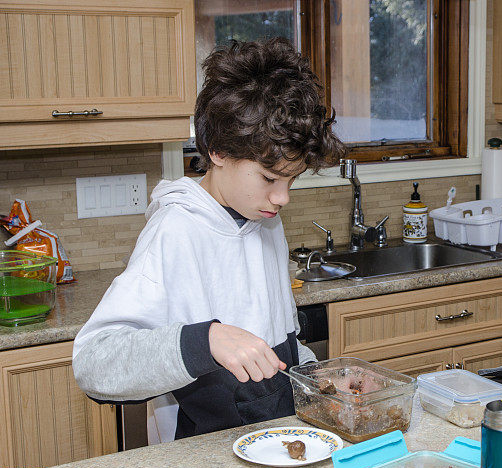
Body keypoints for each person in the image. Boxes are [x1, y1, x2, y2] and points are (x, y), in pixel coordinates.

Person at [73, 37, 346, 440]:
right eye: (270, 178)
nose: (282, 197)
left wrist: (316, 379)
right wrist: (206, 339)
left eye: (292, 179)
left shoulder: (264, 218)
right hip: (209, 452)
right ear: (218, 151)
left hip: (280, 437)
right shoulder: (175, 230)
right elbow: (94, 365)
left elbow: (281, 337)